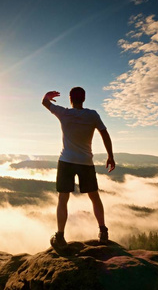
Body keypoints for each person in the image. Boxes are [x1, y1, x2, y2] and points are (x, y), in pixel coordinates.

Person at [42, 87, 115, 248]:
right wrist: (110, 155)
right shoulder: (92, 115)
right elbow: (105, 134)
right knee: (94, 197)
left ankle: (60, 237)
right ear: (84, 98)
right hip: (85, 162)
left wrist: (48, 96)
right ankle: (103, 231)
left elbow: (44, 103)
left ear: (70, 98)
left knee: (63, 199)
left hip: (66, 161)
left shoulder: (64, 113)